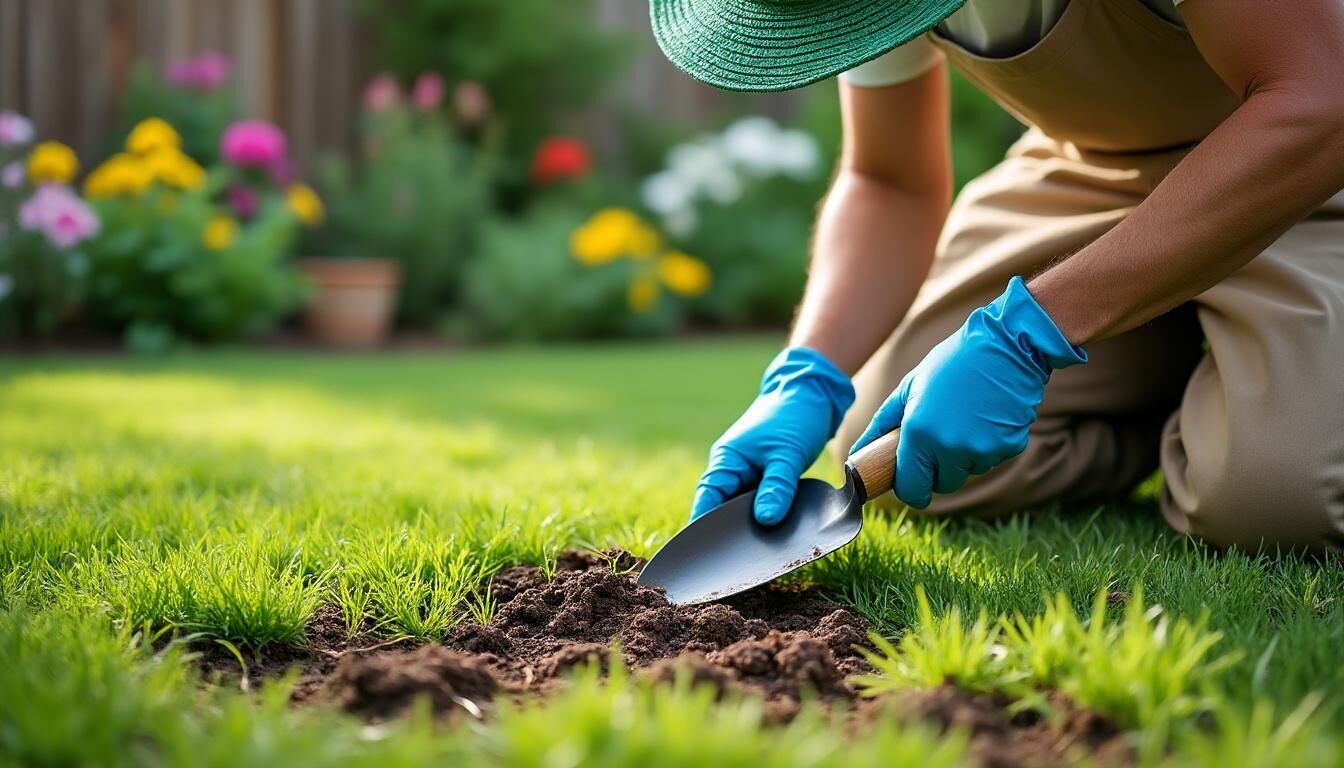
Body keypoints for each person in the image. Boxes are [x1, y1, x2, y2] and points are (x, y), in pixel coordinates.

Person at [653, 0, 1344, 552]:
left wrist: (1027, 334)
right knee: (898, 447)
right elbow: (887, 178)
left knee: (1273, 501)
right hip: (1093, 167)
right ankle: (1180, 393)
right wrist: (806, 374)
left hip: (1304, 165)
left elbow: (1320, 100)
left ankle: (1238, 423)